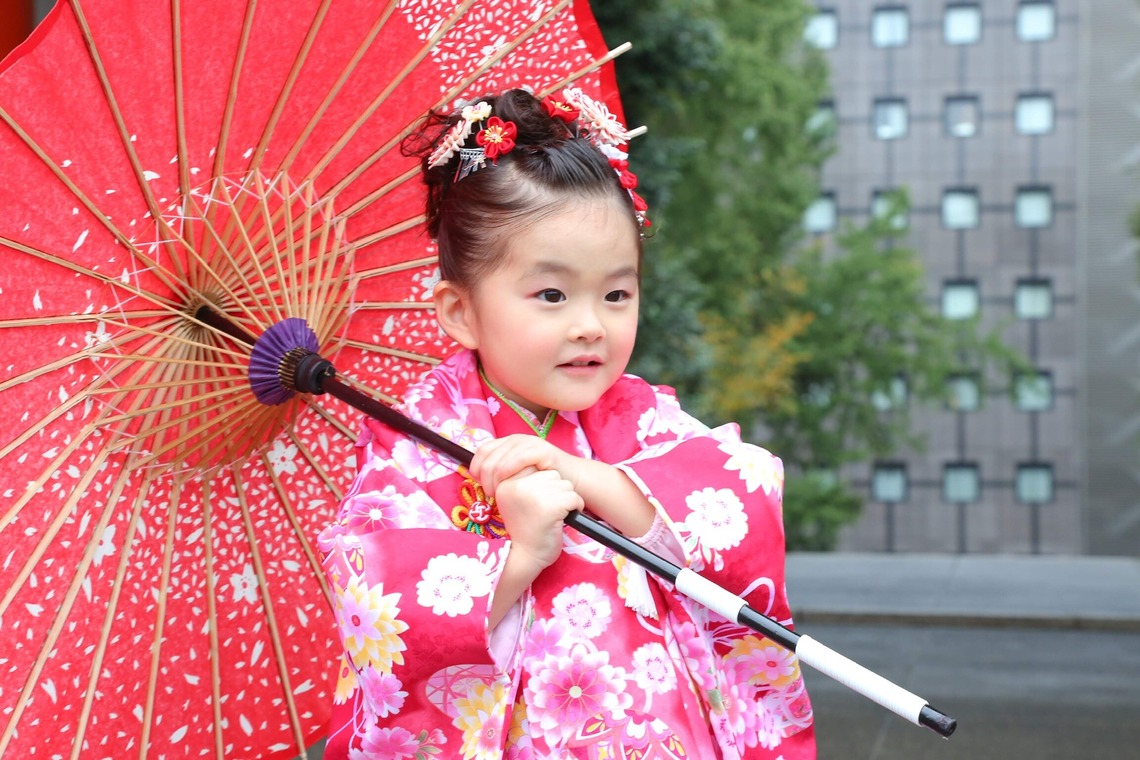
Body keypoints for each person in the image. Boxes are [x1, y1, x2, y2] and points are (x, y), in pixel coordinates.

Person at [318, 86, 816, 759]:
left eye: (617, 293)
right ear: (460, 310)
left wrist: (592, 478)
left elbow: (742, 501)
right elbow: (380, 610)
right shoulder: (417, 444)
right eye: (551, 295)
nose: (590, 325)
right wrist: (518, 556)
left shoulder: (640, 415)